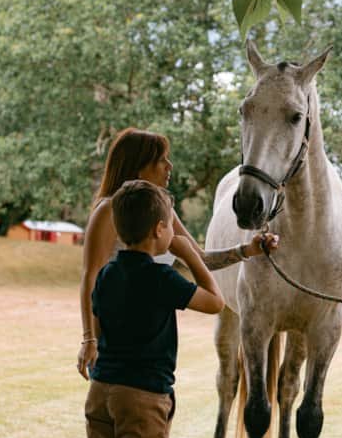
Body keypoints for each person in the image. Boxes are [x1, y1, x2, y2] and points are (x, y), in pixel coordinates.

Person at [77, 128, 278, 379]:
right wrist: (89, 339)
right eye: (161, 160)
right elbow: (90, 275)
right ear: (139, 167)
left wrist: (247, 250)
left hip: (151, 342)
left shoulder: (162, 212)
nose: (169, 166)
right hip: (114, 340)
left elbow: (200, 258)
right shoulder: (109, 210)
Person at [84, 180, 224, 438]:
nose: (174, 231)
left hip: (101, 390)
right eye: (170, 225)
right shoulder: (161, 277)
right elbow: (215, 302)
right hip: (142, 397)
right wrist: (191, 255)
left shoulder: (107, 274)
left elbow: (98, 325)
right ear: (159, 230)